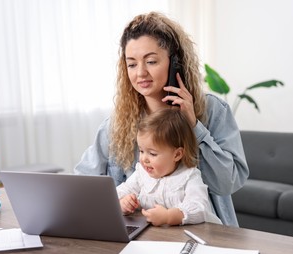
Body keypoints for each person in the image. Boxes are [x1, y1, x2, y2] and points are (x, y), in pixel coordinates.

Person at [74, 11, 249, 226]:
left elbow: (228, 183)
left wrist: (193, 126)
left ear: (175, 62)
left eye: (151, 61)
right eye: (132, 64)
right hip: (139, 237)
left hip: (203, 237)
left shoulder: (212, 110)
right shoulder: (116, 123)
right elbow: (83, 184)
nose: (140, 73)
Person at [117, 108, 222, 226]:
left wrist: (168, 217)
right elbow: (120, 192)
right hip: (157, 236)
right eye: (141, 151)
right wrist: (123, 204)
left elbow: (199, 208)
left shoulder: (189, 176)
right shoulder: (141, 173)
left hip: (194, 236)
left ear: (177, 154)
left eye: (152, 154)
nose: (144, 159)